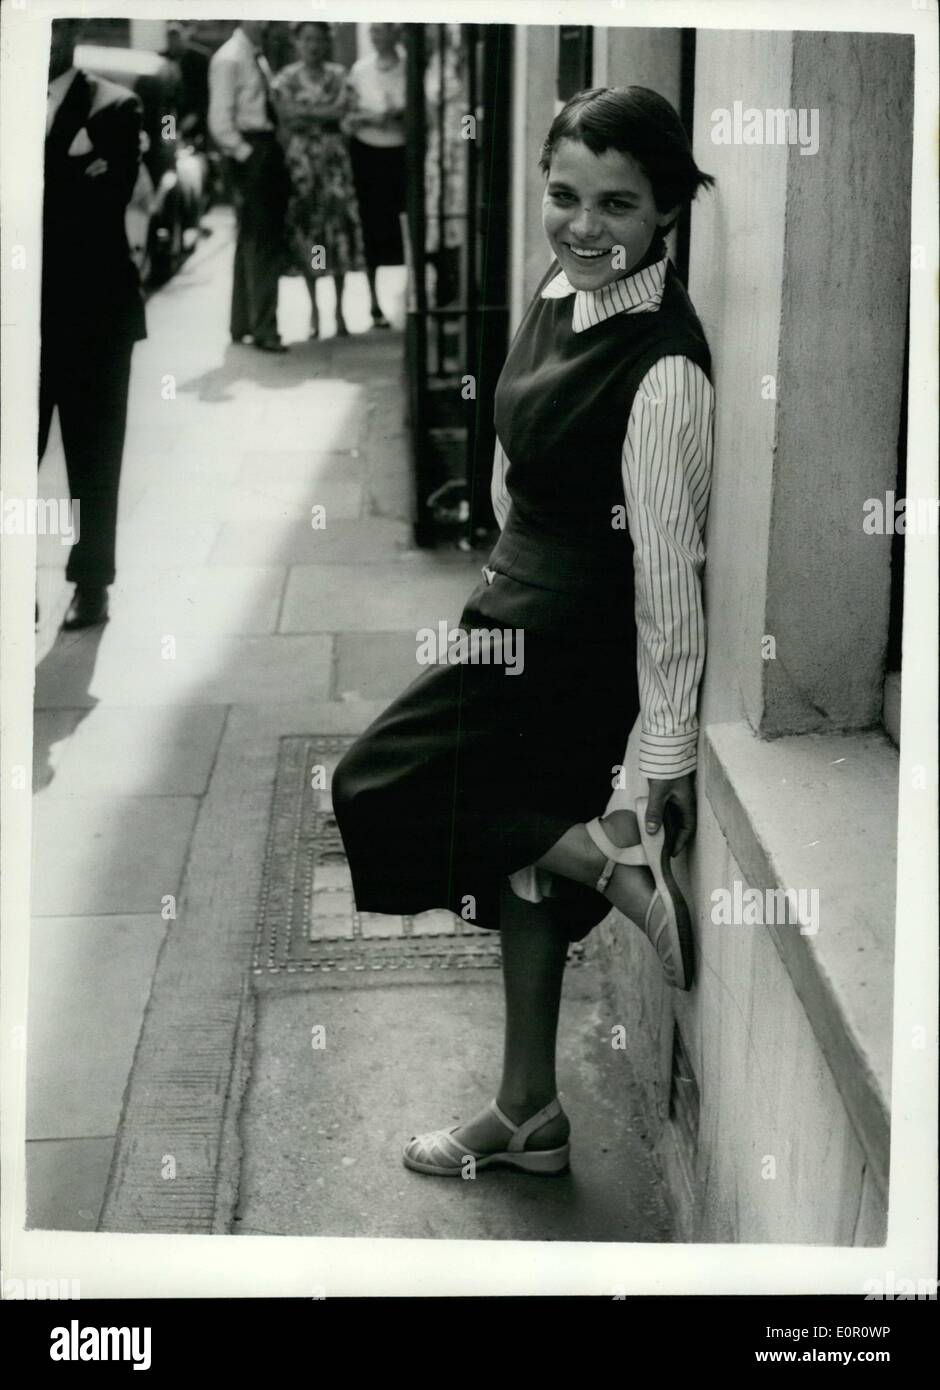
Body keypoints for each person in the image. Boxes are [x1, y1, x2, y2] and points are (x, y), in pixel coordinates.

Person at [332, 87, 716, 1176]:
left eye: (618, 204)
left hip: (563, 648)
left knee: (371, 784)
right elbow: (519, 458)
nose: (584, 227)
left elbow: (668, 574)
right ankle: (529, 1112)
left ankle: (601, 853)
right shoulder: (558, 286)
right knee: (524, 881)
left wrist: (665, 755)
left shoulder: (666, 370)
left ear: (666, 211)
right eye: (564, 196)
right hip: (510, 606)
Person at [39, 17, 147, 631]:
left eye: (56, 27)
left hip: (94, 316)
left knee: (95, 457)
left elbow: (109, 199)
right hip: (21, 322)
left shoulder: (116, 105)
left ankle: (92, 581)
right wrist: (74, 176)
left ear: (72, 33)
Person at [271, 22, 365, 340]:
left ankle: (339, 311)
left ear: (327, 43)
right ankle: (314, 310)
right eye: (307, 39)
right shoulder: (285, 78)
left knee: (335, 232)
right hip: (302, 166)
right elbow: (287, 115)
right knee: (311, 234)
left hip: (334, 164)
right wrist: (325, 114)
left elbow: (344, 109)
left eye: (319, 40)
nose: (313, 46)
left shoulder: (339, 75)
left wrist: (310, 113)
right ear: (297, 43)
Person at [208, 19, 289, 352]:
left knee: (251, 240)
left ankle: (242, 322)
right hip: (251, 151)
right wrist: (247, 155)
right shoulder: (230, 58)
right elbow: (219, 120)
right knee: (264, 244)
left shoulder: (254, 55)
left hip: (262, 148)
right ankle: (264, 328)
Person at [344, 22, 406, 329]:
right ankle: (373, 302)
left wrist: (399, 114)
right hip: (368, 153)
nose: (377, 37)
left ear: (396, 32)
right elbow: (348, 115)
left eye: (383, 30)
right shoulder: (360, 70)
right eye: (373, 31)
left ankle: (414, 296)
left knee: (406, 224)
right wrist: (371, 117)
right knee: (370, 225)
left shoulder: (410, 65)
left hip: (402, 152)